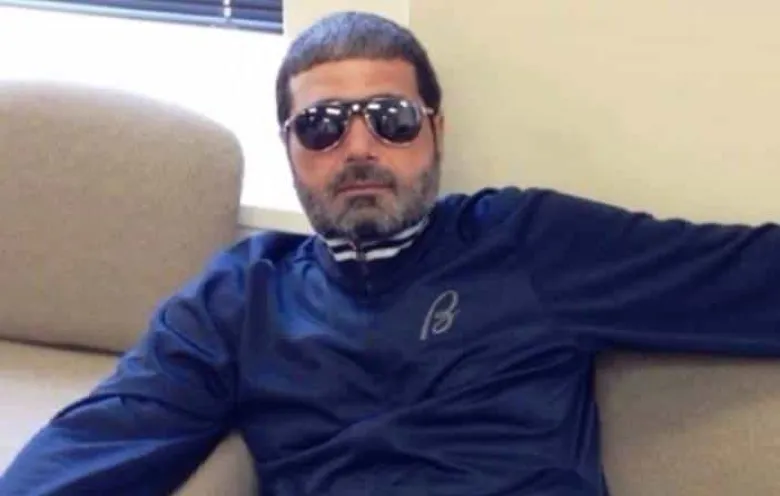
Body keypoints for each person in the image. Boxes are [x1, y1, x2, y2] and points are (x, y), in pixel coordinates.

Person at [2, 10, 780, 496]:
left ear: (435, 131)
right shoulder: (242, 298)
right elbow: (97, 444)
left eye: (391, 119)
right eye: (322, 126)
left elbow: (742, 278)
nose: (360, 149)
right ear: (289, 147)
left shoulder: (530, 242)